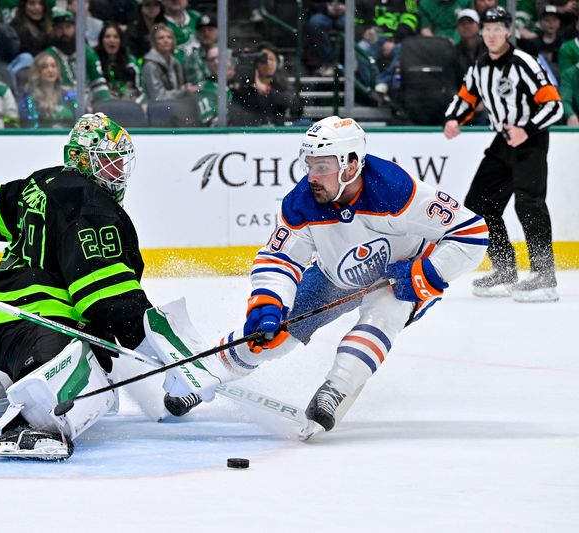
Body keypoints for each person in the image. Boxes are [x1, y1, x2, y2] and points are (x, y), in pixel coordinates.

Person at [158, 115, 489, 438]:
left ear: (350, 164)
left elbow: (472, 232)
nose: (312, 176)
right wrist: (269, 302)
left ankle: (337, 388)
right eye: (309, 165)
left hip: (398, 275)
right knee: (271, 336)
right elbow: (280, 256)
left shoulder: (396, 189)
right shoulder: (302, 203)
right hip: (336, 276)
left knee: (384, 314)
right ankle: (204, 374)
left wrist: (426, 272)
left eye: (323, 167)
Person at [0, 113, 155, 459]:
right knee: (78, 370)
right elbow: (105, 295)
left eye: (121, 163)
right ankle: (28, 424)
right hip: (41, 325)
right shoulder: (90, 203)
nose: (118, 172)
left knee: (72, 361)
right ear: (83, 160)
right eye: (110, 163)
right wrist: (145, 335)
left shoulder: (39, 185)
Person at [444, 7, 564, 302]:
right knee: (478, 205)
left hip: (530, 139)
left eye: (498, 28)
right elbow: (466, 97)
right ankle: (506, 269)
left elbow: (554, 105)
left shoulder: (524, 63)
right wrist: (453, 119)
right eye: (488, 29)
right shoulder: (479, 66)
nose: (492, 34)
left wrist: (527, 128)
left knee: (529, 203)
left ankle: (544, 275)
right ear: (482, 33)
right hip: (503, 140)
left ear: (509, 31)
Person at [45, 8, 110, 104]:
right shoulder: (48, 56)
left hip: (90, 107)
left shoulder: (87, 53)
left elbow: (99, 84)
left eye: (68, 27)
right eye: (59, 28)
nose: (64, 32)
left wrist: (103, 106)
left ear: (75, 28)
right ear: (54, 31)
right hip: (61, 108)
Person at [232, 43, 303, 126]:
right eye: (264, 59)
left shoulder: (283, 85)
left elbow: (295, 106)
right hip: (249, 133)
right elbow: (235, 112)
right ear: (255, 63)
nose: (268, 63)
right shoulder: (244, 86)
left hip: (277, 133)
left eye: (271, 59)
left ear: (278, 63)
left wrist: (267, 90)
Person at [18, 50, 75, 128]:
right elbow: (31, 127)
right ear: (38, 72)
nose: (50, 70)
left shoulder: (70, 95)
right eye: (45, 67)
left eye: (53, 66)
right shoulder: (30, 98)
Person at [142, 23, 196, 102]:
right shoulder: (150, 65)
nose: (165, 40)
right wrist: (183, 92)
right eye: (161, 38)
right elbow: (157, 97)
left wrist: (184, 88)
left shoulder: (175, 62)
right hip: (156, 109)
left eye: (169, 37)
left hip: (174, 106)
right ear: (154, 42)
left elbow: (175, 89)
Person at [94, 21, 144, 103]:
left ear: (121, 41)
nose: (111, 40)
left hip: (128, 105)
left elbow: (140, 90)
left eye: (115, 37)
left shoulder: (131, 63)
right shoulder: (95, 62)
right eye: (107, 36)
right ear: (101, 41)